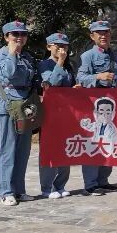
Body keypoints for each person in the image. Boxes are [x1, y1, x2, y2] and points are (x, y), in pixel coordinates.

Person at [76, 20, 117, 196]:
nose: (104, 36)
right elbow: (81, 78)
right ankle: (90, 184)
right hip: (95, 107)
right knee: (94, 144)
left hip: (112, 107)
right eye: (99, 33)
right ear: (92, 36)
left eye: (106, 32)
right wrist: (98, 76)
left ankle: (103, 180)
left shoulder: (116, 56)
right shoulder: (88, 56)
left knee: (109, 143)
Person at [0, 20, 38, 206]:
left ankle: (19, 190)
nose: (19, 37)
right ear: (6, 37)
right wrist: (12, 53)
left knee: (22, 151)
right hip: (6, 107)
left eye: (23, 34)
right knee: (7, 150)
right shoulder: (2, 55)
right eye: (15, 34)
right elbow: (9, 74)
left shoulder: (27, 57)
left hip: (24, 107)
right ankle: (6, 192)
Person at [38, 32, 73, 199]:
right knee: (49, 148)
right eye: (58, 46)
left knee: (65, 147)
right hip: (50, 113)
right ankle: (47, 187)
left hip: (66, 113)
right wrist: (60, 62)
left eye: (64, 46)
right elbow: (51, 84)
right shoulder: (44, 65)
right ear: (49, 47)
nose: (61, 49)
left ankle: (60, 184)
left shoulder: (68, 65)